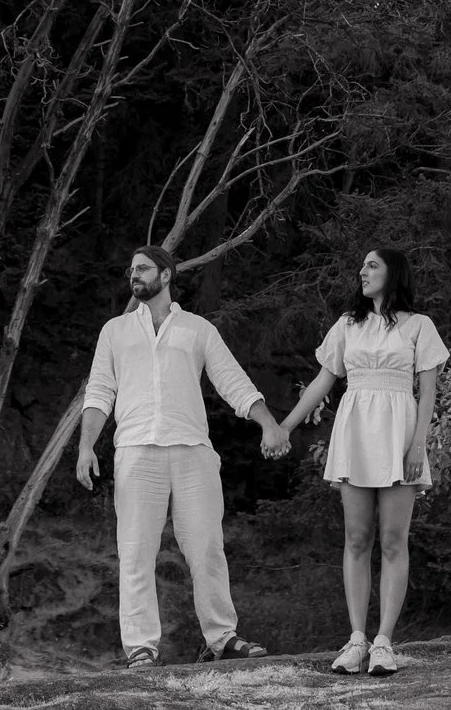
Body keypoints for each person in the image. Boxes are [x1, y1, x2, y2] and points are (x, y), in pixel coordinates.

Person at [75, 244, 291, 668]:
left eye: (142, 268)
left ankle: (221, 638)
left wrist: (268, 422)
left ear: (166, 275)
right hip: (136, 450)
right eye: (130, 269)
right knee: (136, 551)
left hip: (192, 450)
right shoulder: (115, 331)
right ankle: (140, 647)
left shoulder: (197, 329)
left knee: (207, 548)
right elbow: (99, 391)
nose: (133, 275)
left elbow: (233, 380)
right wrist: (86, 447)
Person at [278, 247, 448, 677]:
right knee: (356, 538)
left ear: (394, 274)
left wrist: (417, 446)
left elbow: (427, 393)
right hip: (355, 433)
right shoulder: (347, 324)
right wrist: (284, 427)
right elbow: (323, 380)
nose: (363, 271)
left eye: (373, 265)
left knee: (393, 541)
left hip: (399, 435)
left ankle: (384, 643)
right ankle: (356, 639)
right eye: (363, 265)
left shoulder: (420, 326)